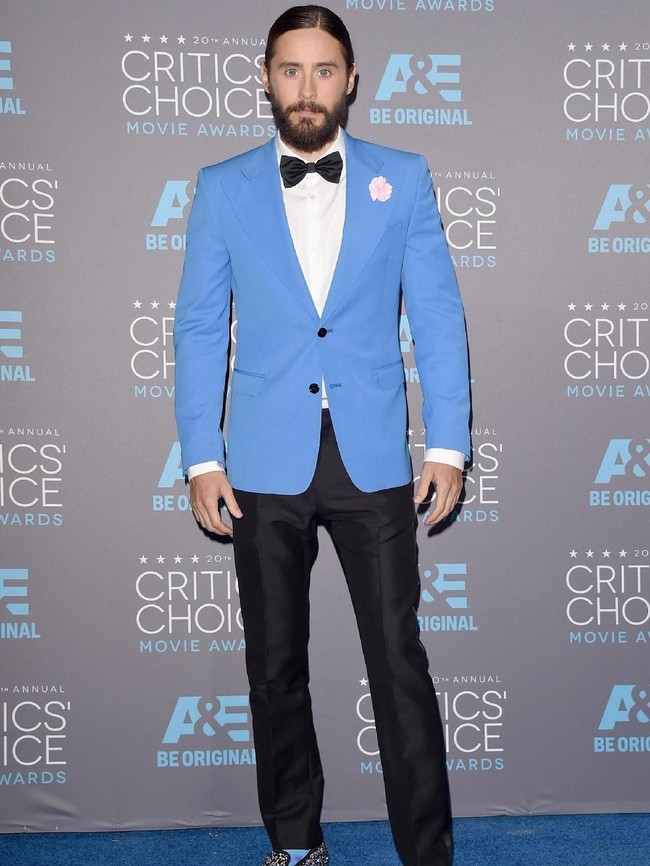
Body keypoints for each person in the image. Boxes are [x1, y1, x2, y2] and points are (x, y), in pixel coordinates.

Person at [173, 6, 470, 866]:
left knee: (399, 665)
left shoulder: (403, 178)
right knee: (274, 667)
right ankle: (296, 843)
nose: (308, 88)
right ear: (267, 79)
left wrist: (447, 444)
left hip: (373, 457)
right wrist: (202, 456)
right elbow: (200, 327)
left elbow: (437, 316)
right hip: (264, 463)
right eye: (291, 69)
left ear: (351, 80)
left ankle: (427, 853)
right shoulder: (222, 186)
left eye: (325, 70)